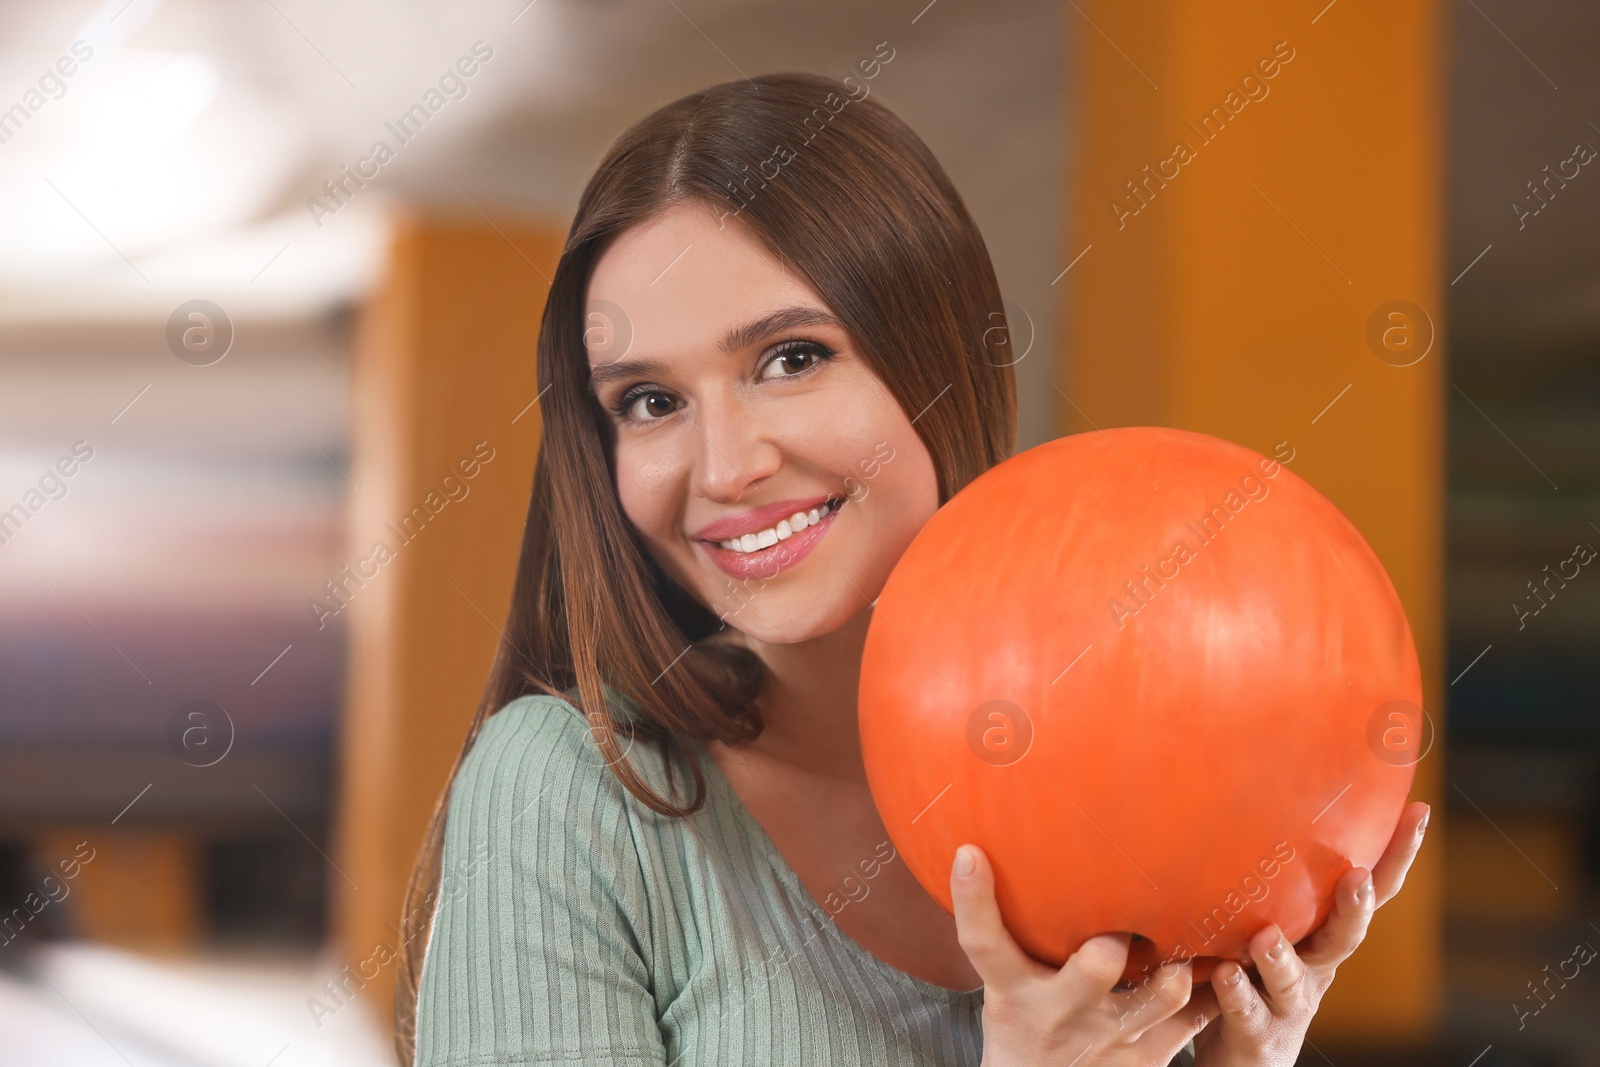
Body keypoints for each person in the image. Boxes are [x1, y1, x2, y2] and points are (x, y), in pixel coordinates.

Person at [398, 71, 1429, 1067]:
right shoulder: (571, 795)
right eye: (650, 401)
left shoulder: (1142, 767)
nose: (723, 466)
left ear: (938, 362)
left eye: (790, 358)